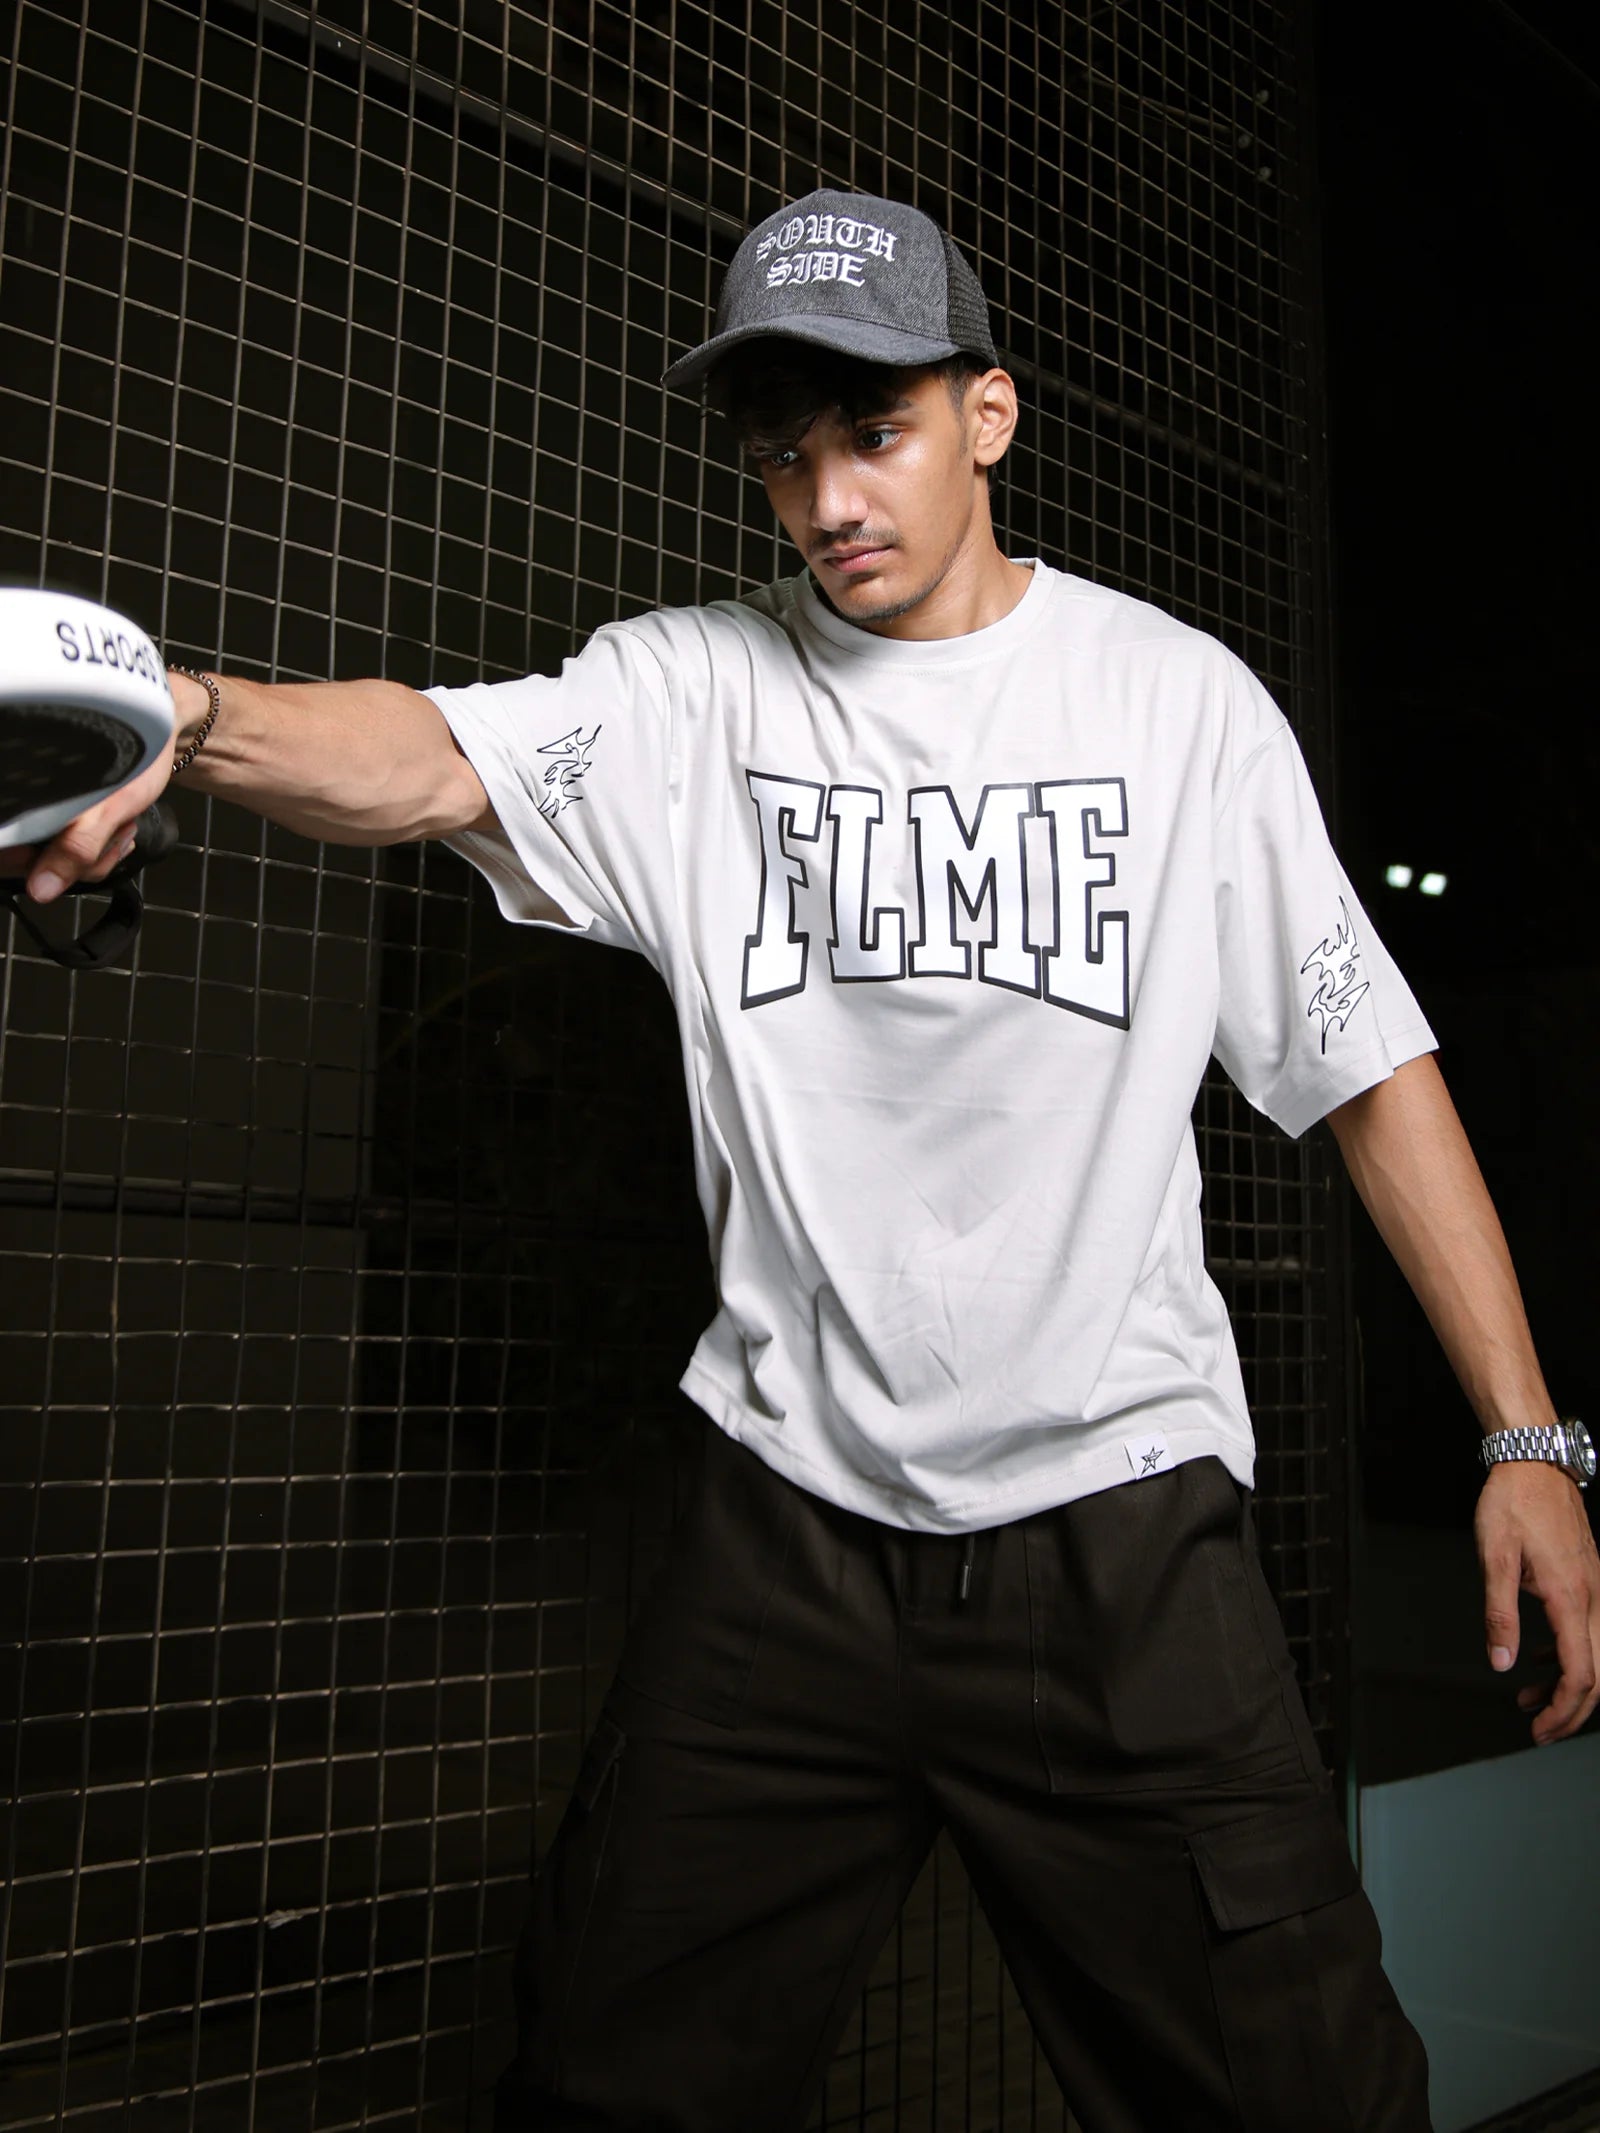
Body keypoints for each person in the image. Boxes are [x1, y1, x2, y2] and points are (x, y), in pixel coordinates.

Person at [5, 188, 1597, 2132]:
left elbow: (1370, 1071)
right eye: (782, 452)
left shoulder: (1177, 709)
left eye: (874, 431)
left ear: (988, 414)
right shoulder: (692, 692)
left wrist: (1524, 1435)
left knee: (1300, 2096)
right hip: (785, 1539)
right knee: (601, 2083)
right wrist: (187, 717)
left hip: (1116, 1531)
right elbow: (425, 756)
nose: (828, 496)